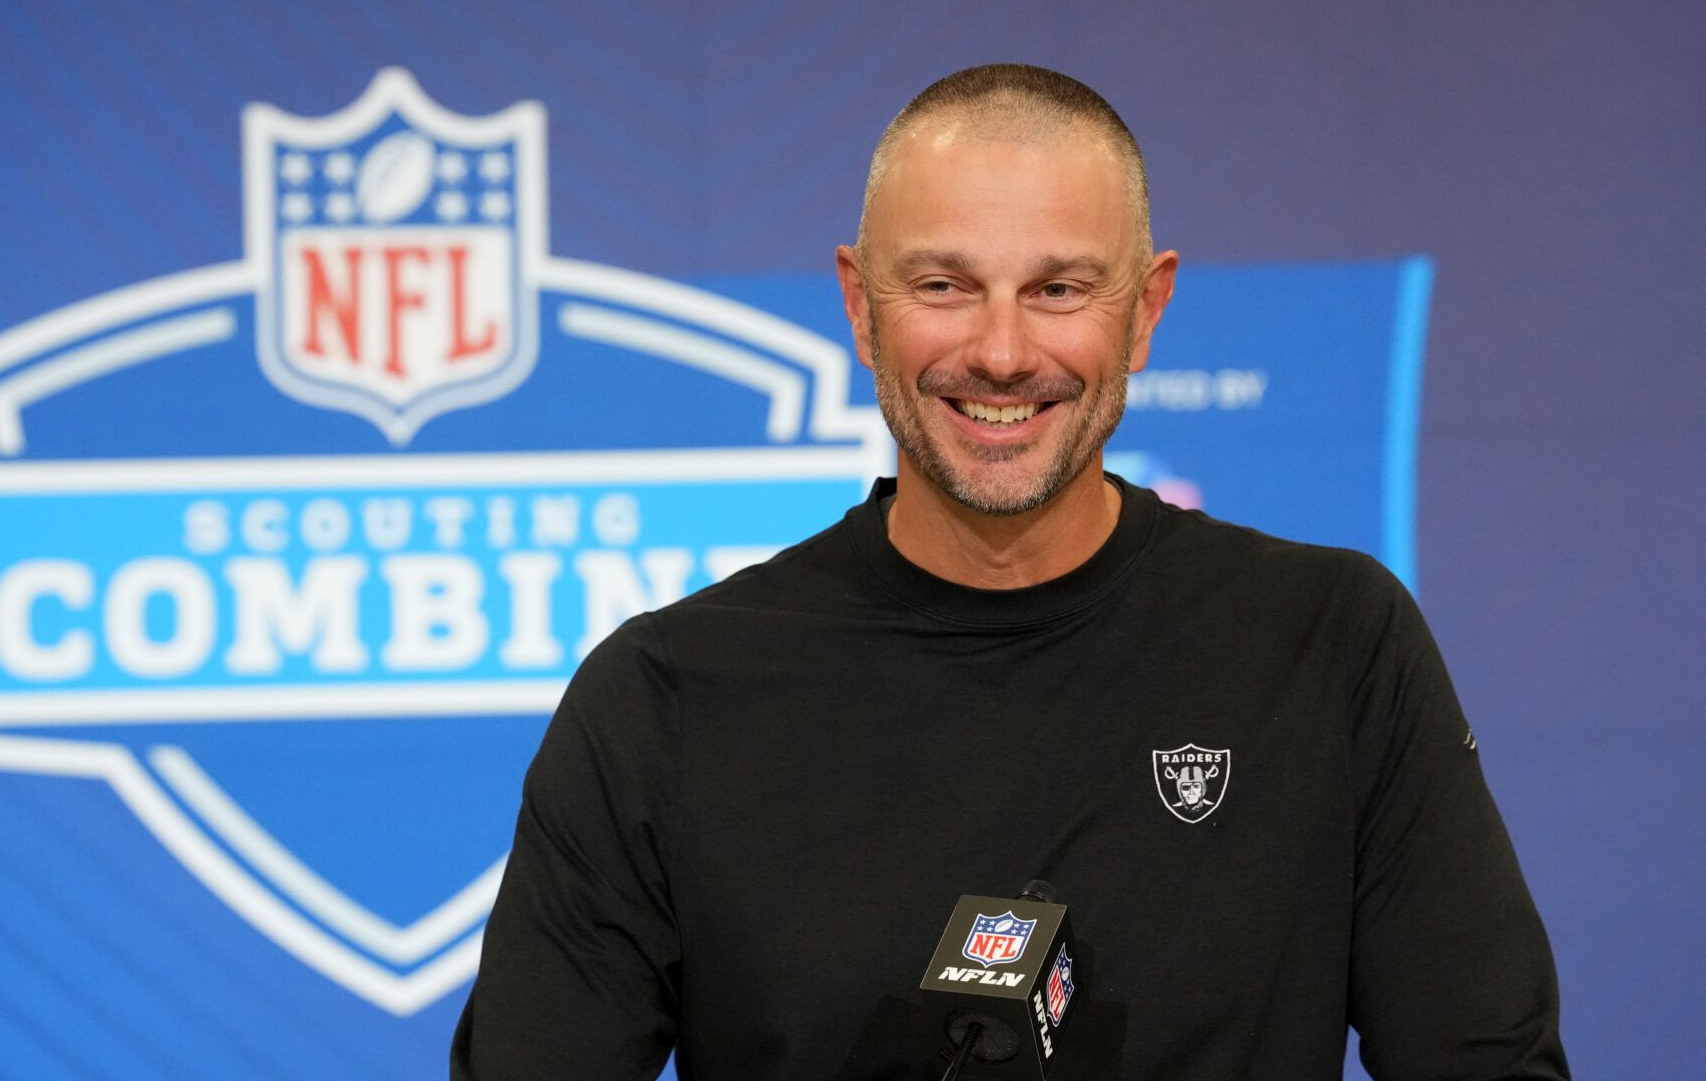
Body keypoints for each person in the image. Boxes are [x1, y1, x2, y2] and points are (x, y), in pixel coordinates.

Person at [451, 64, 1568, 1080]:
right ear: (857, 303)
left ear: (1146, 307)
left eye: (1059, 289)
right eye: (943, 283)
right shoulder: (665, 693)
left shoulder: (1329, 641)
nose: (999, 350)